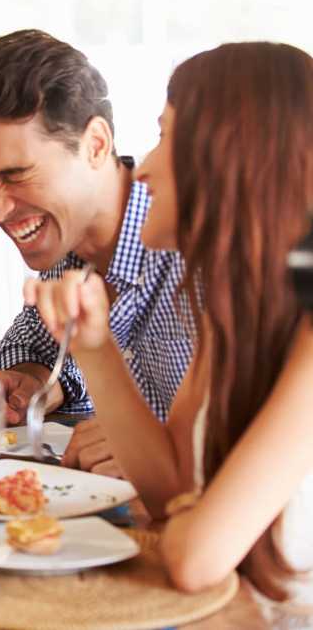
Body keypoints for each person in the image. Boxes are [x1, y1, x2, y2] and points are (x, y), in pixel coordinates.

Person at [26, 42, 313, 623]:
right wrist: (95, 349)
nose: (147, 165)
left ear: (228, 159)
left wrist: (193, 512)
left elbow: (193, 557)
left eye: (165, 136)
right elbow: (166, 489)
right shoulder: (234, 310)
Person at [0, 29, 193, 477]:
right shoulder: (66, 244)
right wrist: (35, 378)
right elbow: (26, 349)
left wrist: (156, 443)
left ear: (95, 145)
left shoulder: (195, 248)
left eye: (16, 175)